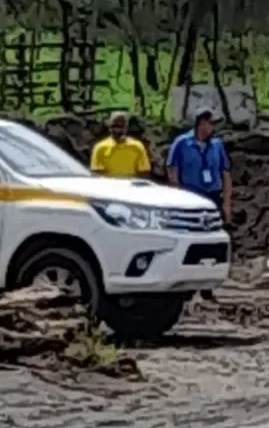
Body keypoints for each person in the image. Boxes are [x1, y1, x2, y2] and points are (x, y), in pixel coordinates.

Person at [167, 108, 232, 301]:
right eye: (211, 123)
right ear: (201, 123)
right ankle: (183, 284)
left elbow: (225, 173)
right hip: (190, 196)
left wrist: (227, 202)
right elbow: (172, 170)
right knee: (188, 241)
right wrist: (177, 195)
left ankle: (207, 286)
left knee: (211, 242)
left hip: (212, 196)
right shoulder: (181, 143)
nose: (213, 128)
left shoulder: (217, 145)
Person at [90, 111, 151, 178]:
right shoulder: (100, 147)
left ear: (126, 127)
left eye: (120, 126)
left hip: (130, 186)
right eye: (114, 126)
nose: (117, 130)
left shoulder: (137, 146)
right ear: (109, 127)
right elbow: (97, 173)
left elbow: (144, 172)